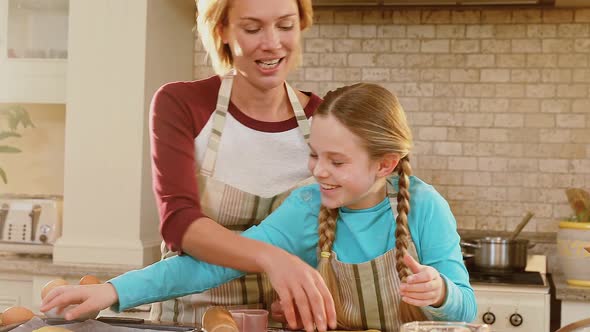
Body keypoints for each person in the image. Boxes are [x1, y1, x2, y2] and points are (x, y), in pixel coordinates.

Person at [41, 83, 477, 332]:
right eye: (315, 155)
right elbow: (210, 265)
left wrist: (439, 292)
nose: (320, 172)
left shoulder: (425, 207)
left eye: (337, 161)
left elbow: (468, 309)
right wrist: (111, 292)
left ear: (385, 164)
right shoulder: (310, 207)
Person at [145, 0, 336, 330]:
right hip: (192, 320)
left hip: (288, 323)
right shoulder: (180, 104)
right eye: (252, 28)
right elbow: (179, 223)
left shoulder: (325, 118)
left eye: (286, 26)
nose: (272, 42)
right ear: (221, 30)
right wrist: (271, 258)